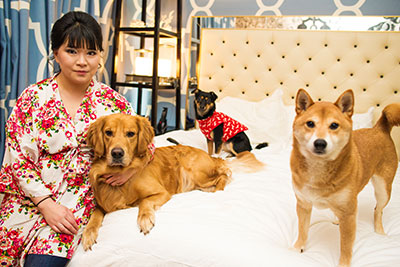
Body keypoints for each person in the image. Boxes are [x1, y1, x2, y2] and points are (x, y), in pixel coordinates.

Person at [0, 11, 135, 266]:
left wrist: (128, 173)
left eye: (91, 53)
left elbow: (145, 146)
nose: (83, 61)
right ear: (55, 53)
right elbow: (18, 158)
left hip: (76, 206)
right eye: (72, 51)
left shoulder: (114, 103)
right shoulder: (33, 98)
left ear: (100, 56)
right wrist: (46, 204)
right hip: (29, 200)